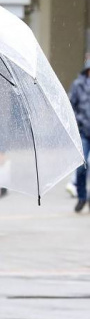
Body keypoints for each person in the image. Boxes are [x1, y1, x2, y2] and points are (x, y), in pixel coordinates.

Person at [69, 60, 90, 213]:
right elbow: (71, 107)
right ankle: (82, 196)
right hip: (84, 132)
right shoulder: (78, 85)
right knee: (81, 167)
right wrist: (78, 122)